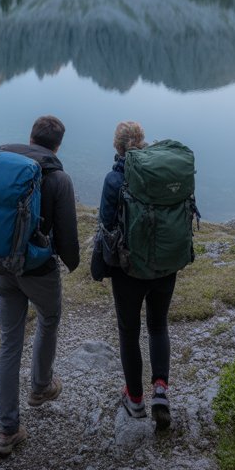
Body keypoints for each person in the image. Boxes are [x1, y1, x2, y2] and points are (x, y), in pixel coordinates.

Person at [0, 114, 79, 457]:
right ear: (57, 145)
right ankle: (40, 386)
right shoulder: (58, 178)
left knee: (9, 342)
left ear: (31, 137)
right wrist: (71, 262)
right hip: (37, 267)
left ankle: (7, 429)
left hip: (0, 265)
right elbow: (68, 234)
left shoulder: (5, 164)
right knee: (49, 317)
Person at [99, 120, 175, 430]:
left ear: (117, 147)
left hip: (128, 270)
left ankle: (135, 399)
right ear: (142, 142)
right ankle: (161, 390)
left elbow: (106, 223)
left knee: (129, 332)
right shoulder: (163, 172)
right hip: (165, 266)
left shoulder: (115, 179)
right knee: (158, 326)